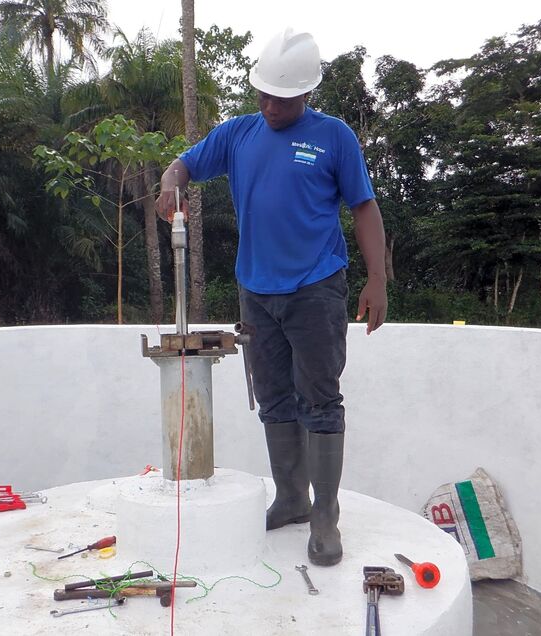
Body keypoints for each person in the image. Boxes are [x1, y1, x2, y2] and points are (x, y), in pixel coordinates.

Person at [156, 28, 387, 567]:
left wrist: (377, 278)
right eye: (263, 95)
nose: (270, 107)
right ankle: (291, 499)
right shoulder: (238, 133)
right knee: (275, 399)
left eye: (282, 99)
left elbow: (364, 207)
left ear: (306, 92)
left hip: (316, 289)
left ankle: (325, 517)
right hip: (256, 293)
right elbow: (184, 164)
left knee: (320, 399)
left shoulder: (334, 137)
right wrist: (171, 181)